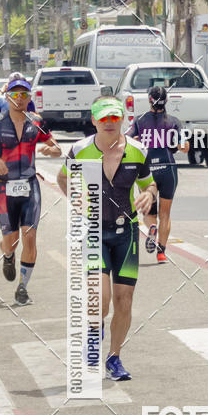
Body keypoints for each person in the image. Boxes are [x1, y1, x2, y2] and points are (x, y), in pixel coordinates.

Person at [57, 97, 157, 381]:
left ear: (123, 119)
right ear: (93, 121)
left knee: (124, 300)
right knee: (100, 300)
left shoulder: (138, 151)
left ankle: (114, 358)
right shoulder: (80, 150)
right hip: (94, 232)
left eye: (115, 118)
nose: (110, 123)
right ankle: (93, 327)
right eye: (104, 119)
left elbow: (148, 182)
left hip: (127, 234)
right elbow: (62, 178)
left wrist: (149, 194)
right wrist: (75, 198)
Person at [0, 74, 61, 305]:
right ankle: (8, 255)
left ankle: (23, 287)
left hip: (30, 186)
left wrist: (51, 150)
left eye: (24, 94)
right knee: (10, 240)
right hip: (4, 188)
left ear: (29, 97)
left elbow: (55, 147)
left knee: (30, 237)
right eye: (15, 94)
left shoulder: (36, 122)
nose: (20, 98)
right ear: (8, 96)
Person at [127, 86, 188, 264]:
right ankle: (161, 252)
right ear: (166, 101)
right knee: (166, 213)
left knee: (149, 211)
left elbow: (126, 139)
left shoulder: (139, 121)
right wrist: (178, 144)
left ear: (149, 100)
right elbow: (184, 147)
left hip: (147, 171)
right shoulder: (175, 122)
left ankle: (151, 227)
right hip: (168, 168)